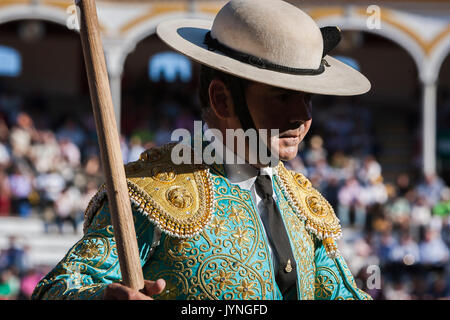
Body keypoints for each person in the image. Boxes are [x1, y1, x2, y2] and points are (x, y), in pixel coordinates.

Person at [32, 0, 372, 300]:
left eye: (307, 98)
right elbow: (58, 288)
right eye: (283, 97)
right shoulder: (151, 195)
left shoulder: (300, 203)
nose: (303, 116)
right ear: (222, 100)